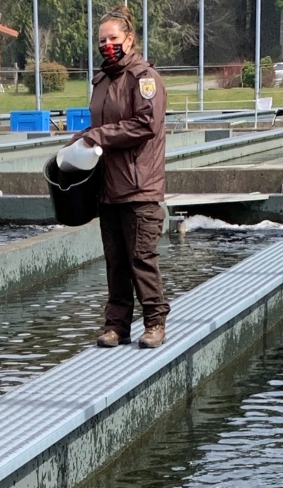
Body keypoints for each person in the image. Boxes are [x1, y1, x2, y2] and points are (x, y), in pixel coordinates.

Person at [70, 5, 170, 349]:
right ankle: (116, 326)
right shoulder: (101, 80)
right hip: (108, 187)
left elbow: (145, 124)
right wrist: (82, 136)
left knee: (141, 259)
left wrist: (98, 135)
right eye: (101, 40)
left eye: (113, 38)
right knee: (114, 261)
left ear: (129, 39)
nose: (106, 44)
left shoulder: (144, 78)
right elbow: (102, 126)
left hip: (139, 186)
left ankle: (155, 321)